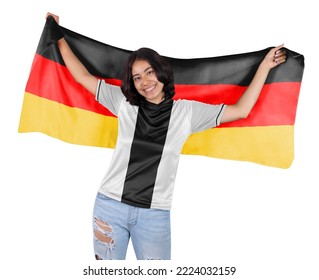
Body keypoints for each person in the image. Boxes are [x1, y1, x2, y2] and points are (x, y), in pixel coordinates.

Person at [45, 12, 286, 260]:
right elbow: (82, 76)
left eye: (149, 72)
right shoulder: (122, 102)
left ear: (161, 72)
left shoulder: (187, 112)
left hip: (154, 216)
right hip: (109, 207)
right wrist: (58, 35)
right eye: (137, 77)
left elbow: (241, 110)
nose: (145, 82)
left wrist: (264, 66)